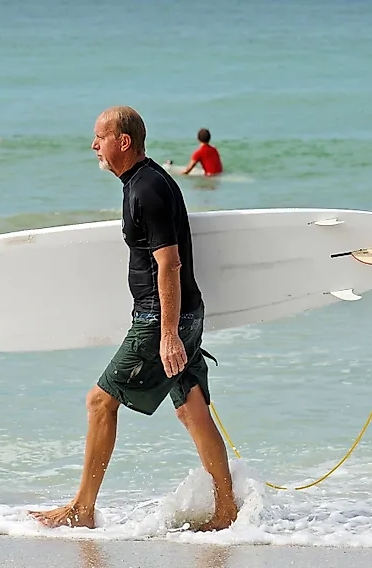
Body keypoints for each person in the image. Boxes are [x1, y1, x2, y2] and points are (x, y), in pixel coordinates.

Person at [29, 106, 238, 531]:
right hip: (182, 316)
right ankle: (227, 509)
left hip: (162, 320)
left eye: (100, 137)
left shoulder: (147, 189)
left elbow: (170, 264)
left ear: (123, 141)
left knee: (100, 401)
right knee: (192, 408)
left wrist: (166, 334)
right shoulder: (144, 182)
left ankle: (82, 510)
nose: (94, 146)